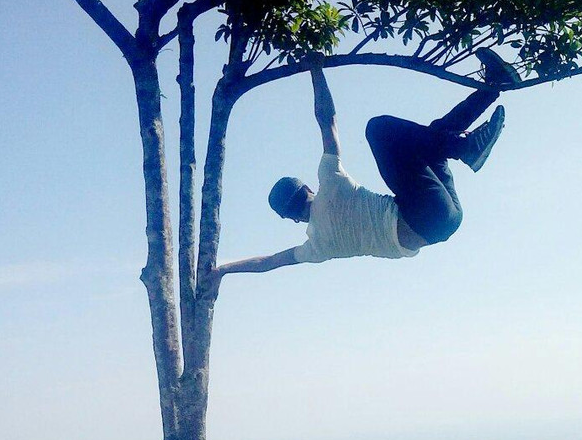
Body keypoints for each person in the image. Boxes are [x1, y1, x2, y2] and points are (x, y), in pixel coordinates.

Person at [213, 49, 520, 280]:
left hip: (444, 221)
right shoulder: (330, 182)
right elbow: (327, 121)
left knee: (432, 138)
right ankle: (466, 146)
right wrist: (316, 70)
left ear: (291, 219)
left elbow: (266, 263)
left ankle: (493, 87)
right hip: (424, 213)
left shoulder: (316, 246)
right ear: (306, 186)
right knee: (379, 129)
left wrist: (222, 270)